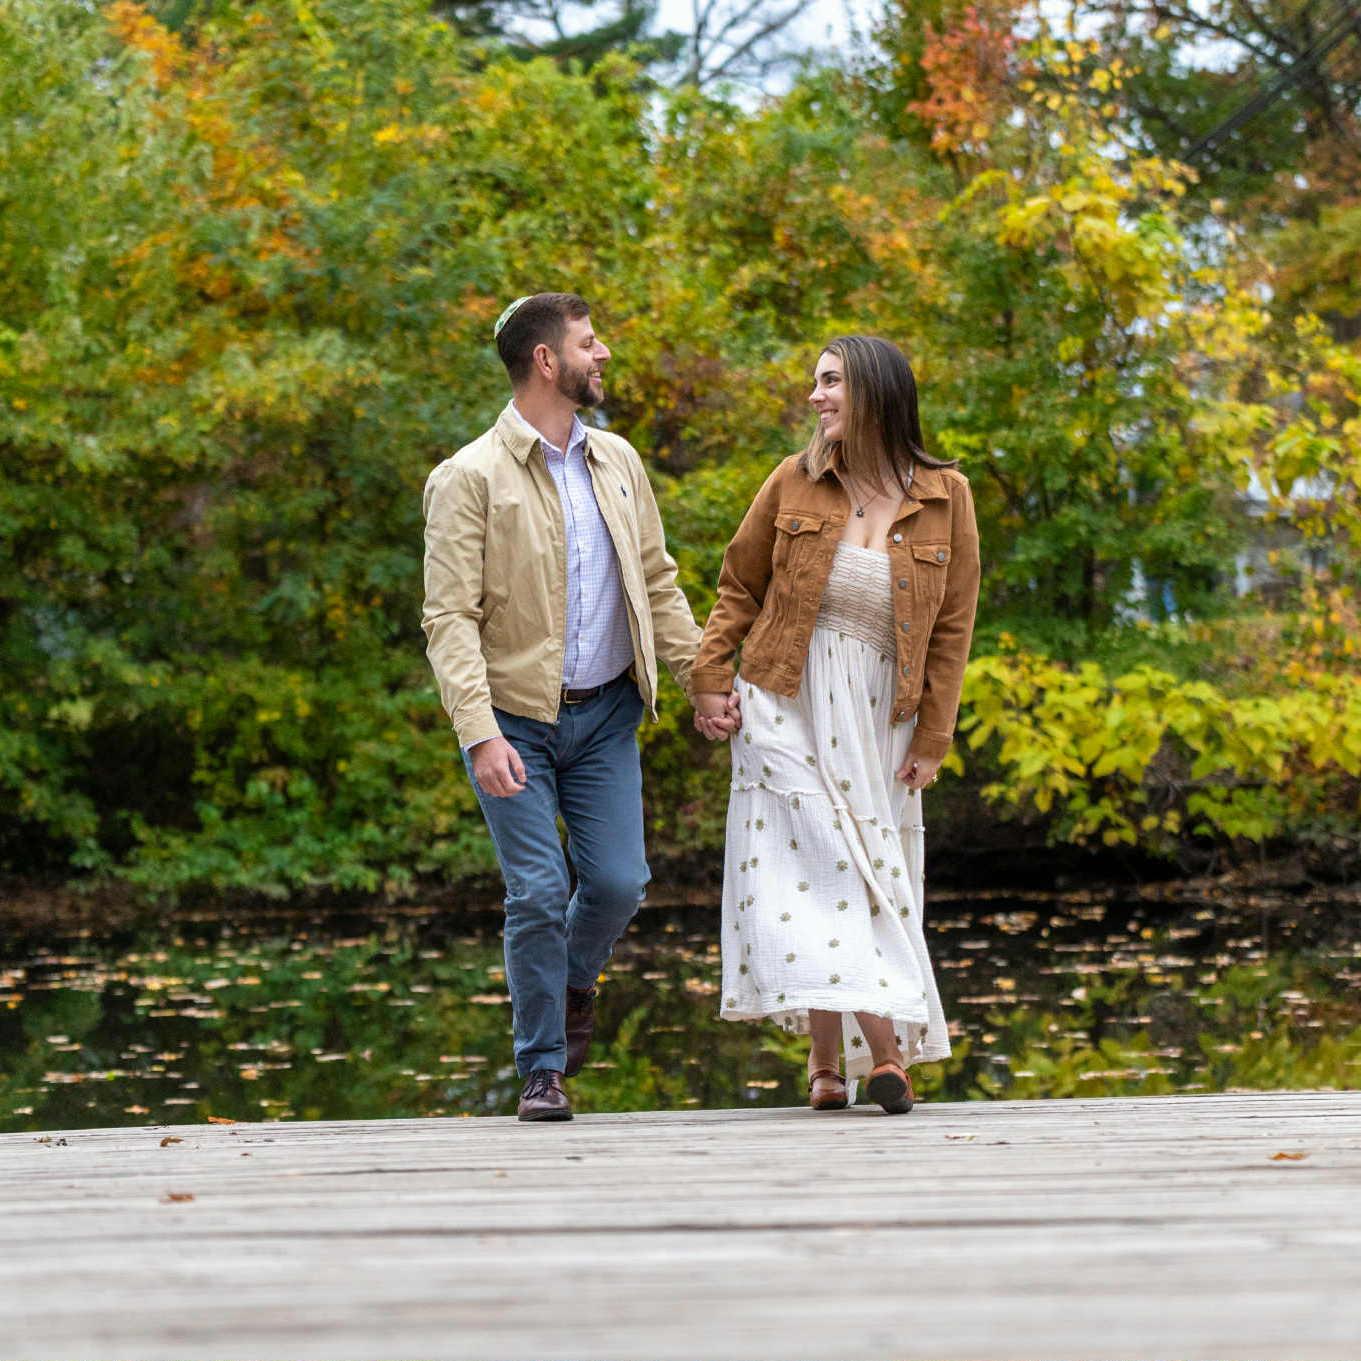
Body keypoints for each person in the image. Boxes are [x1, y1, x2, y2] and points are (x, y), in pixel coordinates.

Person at [421, 292, 737, 1122]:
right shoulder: (467, 478)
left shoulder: (618, 462)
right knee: (535, 887)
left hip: (605, 716)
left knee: (616, 879)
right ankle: (542, 1068)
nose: (603, 355)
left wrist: (704, 675)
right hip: (514, 718)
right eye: (589, 344)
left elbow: (658, 582)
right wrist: (479, 733)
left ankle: (567, 982)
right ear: (545, 361)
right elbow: (448, 617)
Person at [690, 335, 980, 1114]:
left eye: (831, 382)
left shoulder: (946, 495)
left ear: (875, 394)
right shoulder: (792, 480)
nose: (815, 396)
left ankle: (824, 1069)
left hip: (880, 711)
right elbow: (737, 584)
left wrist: (933, 735)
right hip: (784, 693)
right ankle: (886, 1058)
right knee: (819, 862)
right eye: (815, 382)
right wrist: (710, 678)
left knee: (852, 872)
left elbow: (953, 626)